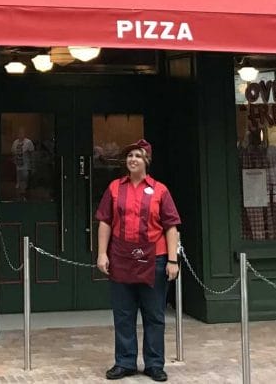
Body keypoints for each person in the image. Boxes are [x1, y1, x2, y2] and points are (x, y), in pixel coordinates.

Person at [95, 139, 181, 382]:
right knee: (123, 314)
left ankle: (154, 364)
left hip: (154, 258)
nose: (133, 159)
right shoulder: (114, 188)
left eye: (138, 156)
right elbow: (105, 221)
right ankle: (125, 362)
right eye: (130, 155)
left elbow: (171, 226)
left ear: (147, 161)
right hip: (121, 257)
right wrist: (102, 253)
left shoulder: (160, 190)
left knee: (154, 314)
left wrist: (172, 261)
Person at [11, 128, 34, 199]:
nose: (20, 134)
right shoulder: (15, 142)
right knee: (19, 182)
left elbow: (32, 153)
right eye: (19, 133)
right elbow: (13, 152)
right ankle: (19, 197)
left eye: (22, 133)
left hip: (26, 165)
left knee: (24, 179)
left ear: (25, 134)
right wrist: (14, 159)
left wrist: (32, 164)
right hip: (18, 165)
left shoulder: (28, 142)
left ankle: (24, 196)